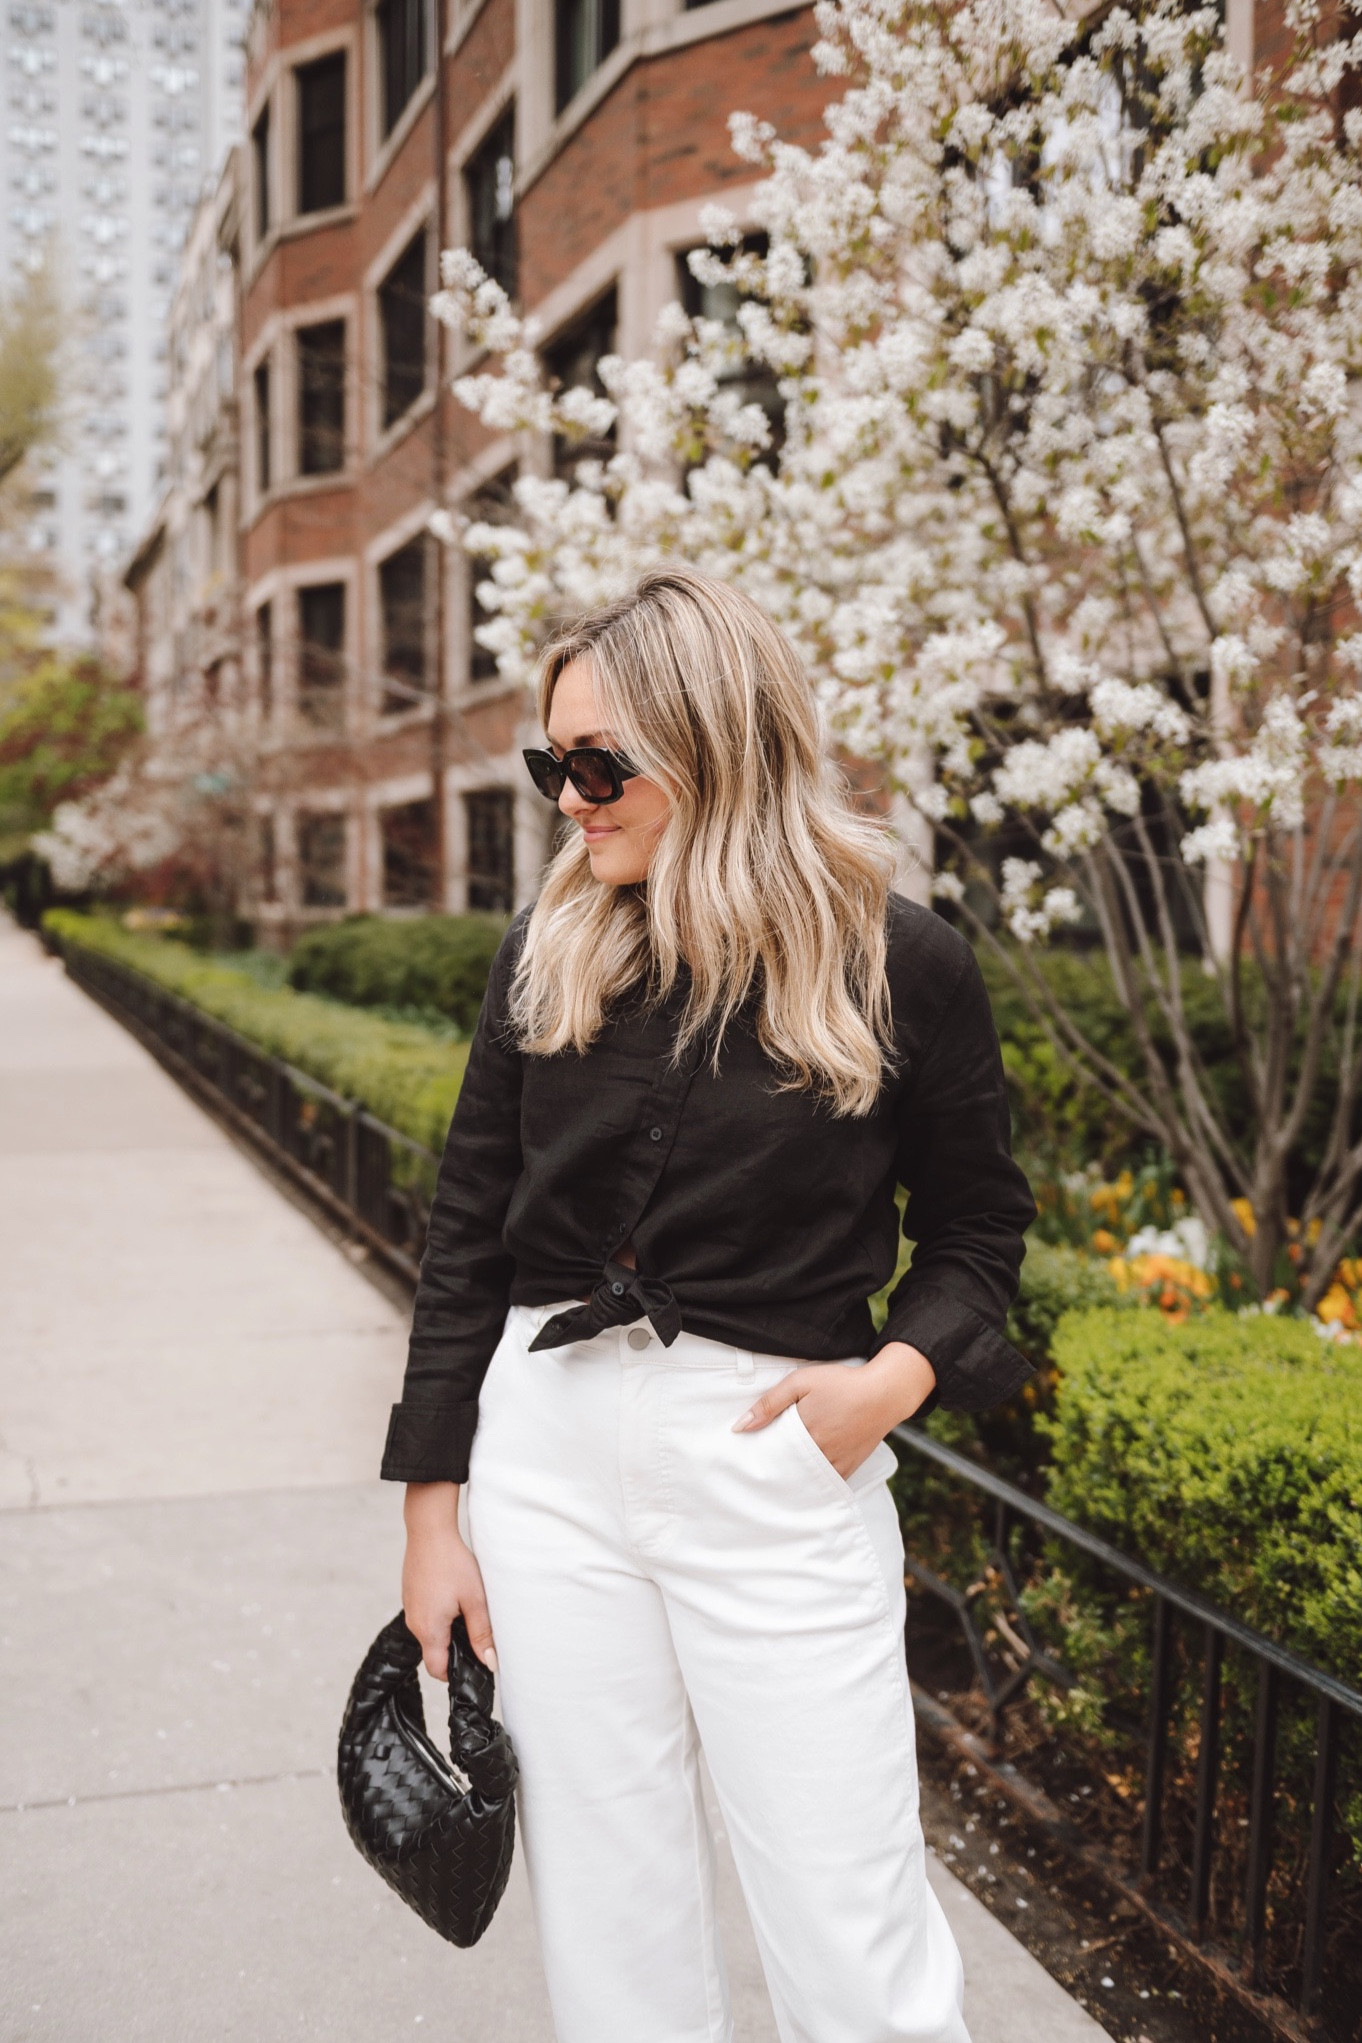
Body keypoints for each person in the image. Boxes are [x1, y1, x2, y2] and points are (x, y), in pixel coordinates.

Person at [383, 565, 1037, 2043]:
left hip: (769, 1456)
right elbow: (465, 1241)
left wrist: (891, 1383)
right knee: (610, 1928)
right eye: (554, 765)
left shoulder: (899, 959)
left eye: (600, 765)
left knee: (846, 1922)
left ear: (715, 745)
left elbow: (981, 1234)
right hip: (544, 1458)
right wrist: (434, 1518)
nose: (571, 798)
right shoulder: (548, 947)